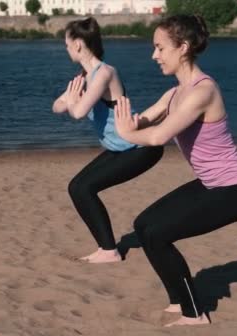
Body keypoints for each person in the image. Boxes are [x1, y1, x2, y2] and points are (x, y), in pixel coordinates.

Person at [114, 15, 237, 326]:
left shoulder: (202, 92)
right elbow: (144, 122)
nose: (154, 55)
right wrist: (119, 117)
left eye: (159, 48)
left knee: (158, 234)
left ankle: (194, 314)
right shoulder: (174, 94)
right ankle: (178, 299)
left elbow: (157, 137)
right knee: (143, 225)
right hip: (212, 184)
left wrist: (130, 134)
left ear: (182, 47)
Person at [52, 17, 163, 264]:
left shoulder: (105, 73)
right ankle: (107, 248)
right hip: (120, 148)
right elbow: (57, 105)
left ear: (78, 44)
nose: (66, 48)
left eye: (67, 43)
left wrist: (72, 102)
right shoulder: (84, 76)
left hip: (139, 147)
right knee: (78, 187)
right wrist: (69, 100)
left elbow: (78, 112)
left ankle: (109, 250)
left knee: (83, 188)